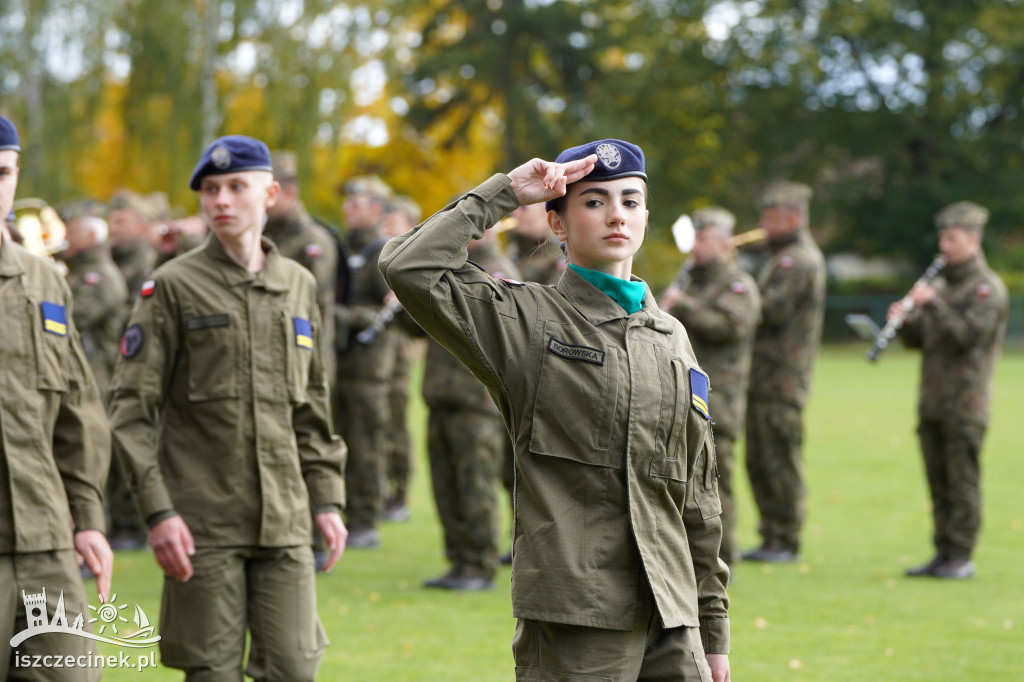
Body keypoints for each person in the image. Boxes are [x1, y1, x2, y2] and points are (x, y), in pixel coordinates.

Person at [381, 139, 730, 681]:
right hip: (577, 612)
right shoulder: (528, 319)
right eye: (593, 201)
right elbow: (408, 266)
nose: (616, 214)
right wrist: (505, 193)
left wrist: (712, 627)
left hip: (672, 613)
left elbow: (697, 493)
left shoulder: (672, 337)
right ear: (558, 225)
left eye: (630, 201)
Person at [108, 135, 347, 680]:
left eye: (237, 187)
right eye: (210, 190)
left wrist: (328, 499)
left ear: (270, 194)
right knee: (210, 672)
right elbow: (130, 409)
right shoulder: (171, 286)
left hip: (285, 520)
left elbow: (311, 406)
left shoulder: (298, 285)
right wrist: (159, 512)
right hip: (203, 523)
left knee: (293, 668)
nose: (221, 200)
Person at [0, 114, 114, 681]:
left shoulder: (43, 281)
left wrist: (88, 517)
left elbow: (78, 411)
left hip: (45, 545)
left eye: (2, 172)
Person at [892, 201, 1008, 580]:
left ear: (973, 239)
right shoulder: (940, 283)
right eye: (942, 236)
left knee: (962, 483)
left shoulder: (986, 288)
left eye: (952, 237)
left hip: (965, 404)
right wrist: (906, 319)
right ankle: (942, 553)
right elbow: (921, 341)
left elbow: (966, 337)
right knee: (938, 483)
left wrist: (934, 304)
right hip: (932, 401)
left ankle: (962, 555)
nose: (944, 245)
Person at [419, 228, 521, 591]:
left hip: (477, 402)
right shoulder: (446, 268)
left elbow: (500, 329)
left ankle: (479, 563)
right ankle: (459, 560)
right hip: (442, 397)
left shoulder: (495, 271)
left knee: (475, 487)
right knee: (446, 487)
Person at [662, 207, 761, 568]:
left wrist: (682, 305)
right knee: (683, 481)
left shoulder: (738, 284)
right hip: (682, 395)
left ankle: (723, 558)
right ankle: (689, 556)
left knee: (718, 482)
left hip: (720, 398)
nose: (694, 247)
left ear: (722, 243)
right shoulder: (691, 279)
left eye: (701, 239)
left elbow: (731, 327)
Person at [742, 181, 826, 563]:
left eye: (769, 217)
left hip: (783, 378)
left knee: (779, 456)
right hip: (764, 376)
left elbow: (769, 311)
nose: (762, 224)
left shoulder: (799, 260)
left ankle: (786, 537)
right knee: (760, 457)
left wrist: (735, 285)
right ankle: (772, 534)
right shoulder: (782, 256)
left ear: (791, 217)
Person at [55, 200, 146, 552]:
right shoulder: (78, 273)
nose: (64, 238)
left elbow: (71, 321)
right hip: (85, 376)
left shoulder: (98, 277)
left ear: (92, 236)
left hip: (98, 378)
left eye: (73, 232)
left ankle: (102, 530)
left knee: (93, 455)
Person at [334, 175, 397, 548]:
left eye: (357, 202)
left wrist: (342, 316)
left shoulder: (382, 251)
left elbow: (389, 310)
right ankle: (346, 513)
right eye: (348, 202)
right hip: (342, 363)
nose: (348, 208)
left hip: (370, 369)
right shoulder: (344, 248)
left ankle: (365, 518)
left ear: (377, 209)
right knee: (342, 440)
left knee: (366, 443)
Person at [380, 196, 423, 523]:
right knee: (383, 426)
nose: (387, 227)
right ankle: (385, 490)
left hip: (398, 354)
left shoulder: (416, 255)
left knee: (398, 425)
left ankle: (401, 493)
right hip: (381, 354)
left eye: (393, 221)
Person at [107, 189, 157, 302]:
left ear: (141, 227)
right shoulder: (108, 257)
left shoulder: (149, 264)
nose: (112, 229)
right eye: (111, 222)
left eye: (120, 222)